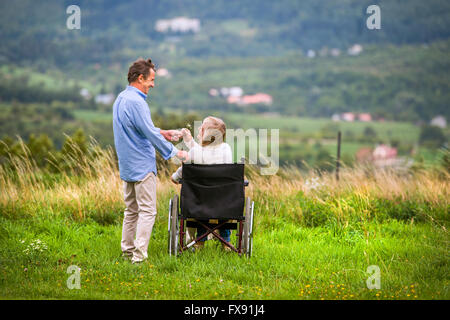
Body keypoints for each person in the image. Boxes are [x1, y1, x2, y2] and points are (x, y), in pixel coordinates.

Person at [113, 58, 189, 264]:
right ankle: (139, 257)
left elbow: (138, 129)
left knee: (131, 210)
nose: (153, 84)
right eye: (151, 80)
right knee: (148, 211)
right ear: (140, 78)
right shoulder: (138, 102)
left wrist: (162, 132)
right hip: (141, 165)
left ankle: (127, 252)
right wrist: (177, 154)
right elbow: (148, 133)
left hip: (127, 165)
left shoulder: (121, 98)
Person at [171, 116, 233, 251]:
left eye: (202, 128)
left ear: (205, 134)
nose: (199, 128)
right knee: (221, 204)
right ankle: (226, 242)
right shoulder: (226, 149)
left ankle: (199, 242)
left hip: (199, 203)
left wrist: (174, 177)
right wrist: (190, 141)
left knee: (201, 201)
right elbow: (206, 154)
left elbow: (193, 160)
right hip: (224, 202)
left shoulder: (195, 153)